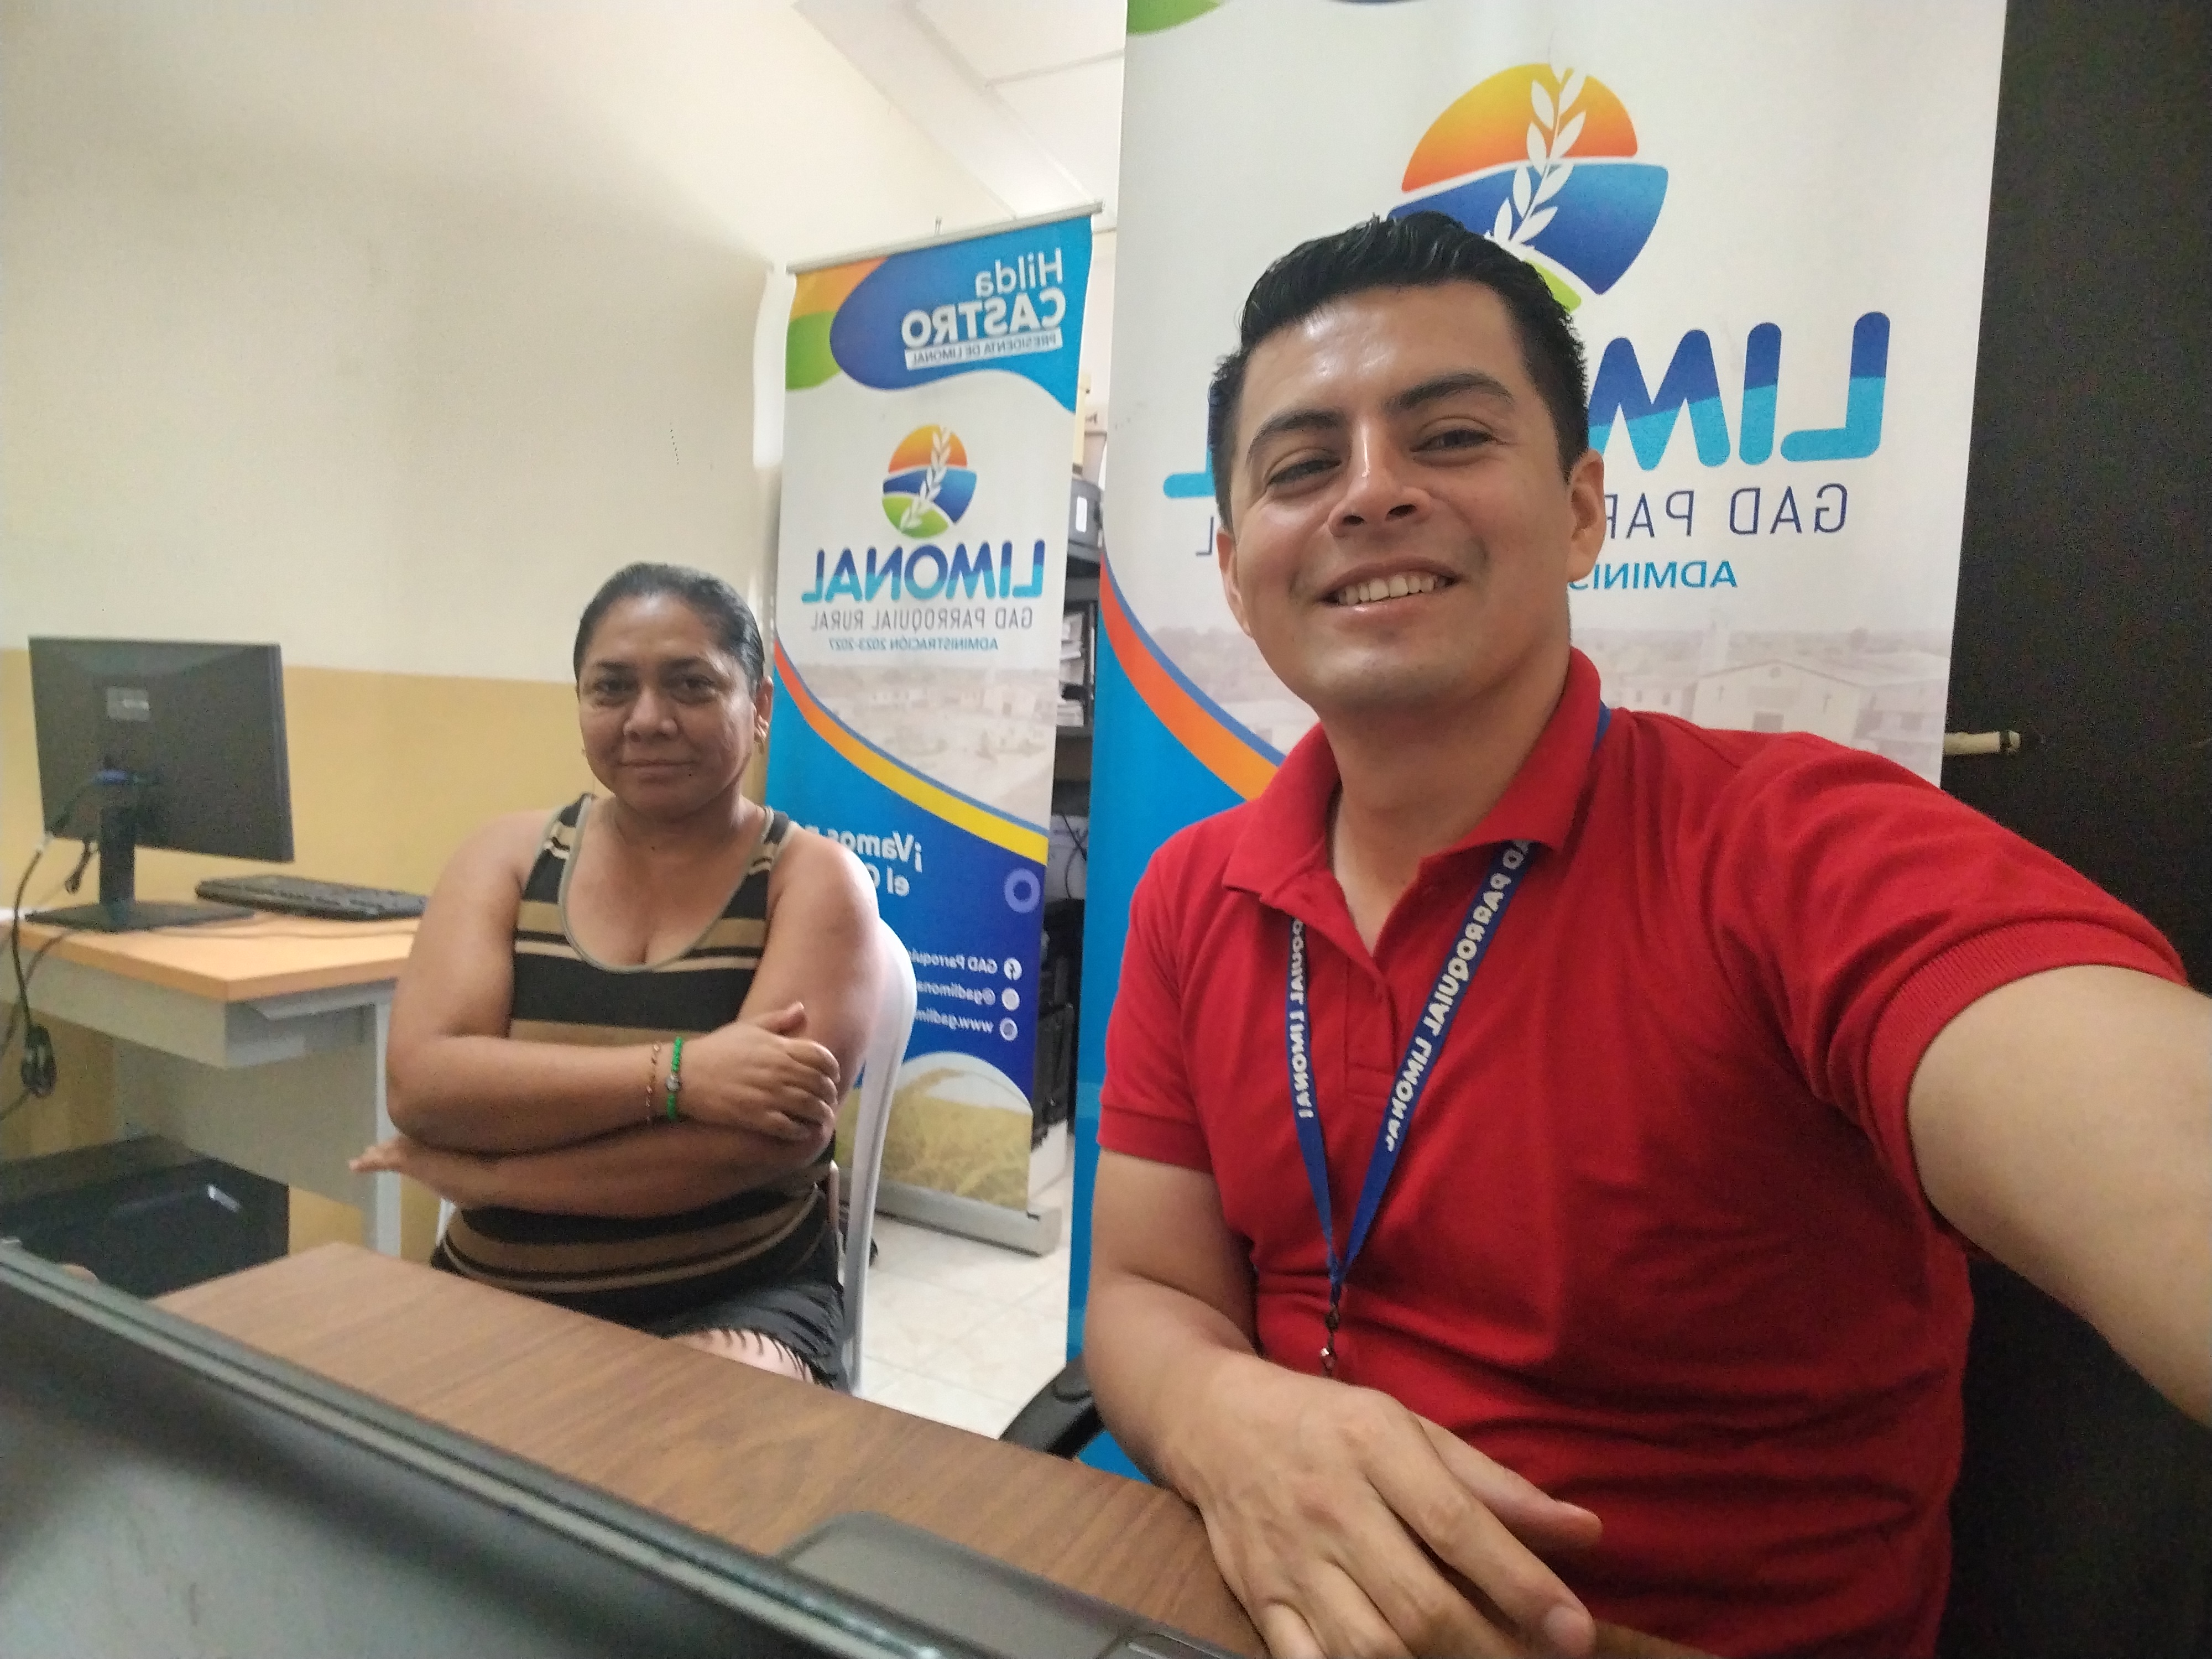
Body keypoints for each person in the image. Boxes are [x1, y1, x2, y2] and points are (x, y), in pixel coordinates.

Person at [1085, 213, 2211, 1659]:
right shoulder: (1193, 889)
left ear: (1581, 513)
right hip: (1247, 1607)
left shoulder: (1785, 850)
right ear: (1237, 569)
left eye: (1448, 437)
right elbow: (1146, 1289)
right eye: (1303, 466)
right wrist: (1227, 1417)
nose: (1371, 492)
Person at [353, 562, 886, 1389]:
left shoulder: (813, 880)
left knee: (682, 1434)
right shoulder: (506, 858)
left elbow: (747, 1148)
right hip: (497, 1283)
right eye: (611, 688)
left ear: (760, 707)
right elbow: (424, 1086)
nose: (647, 720)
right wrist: (682, 1076)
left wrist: (494, 1177)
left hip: (735, 1296)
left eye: (691, 685)